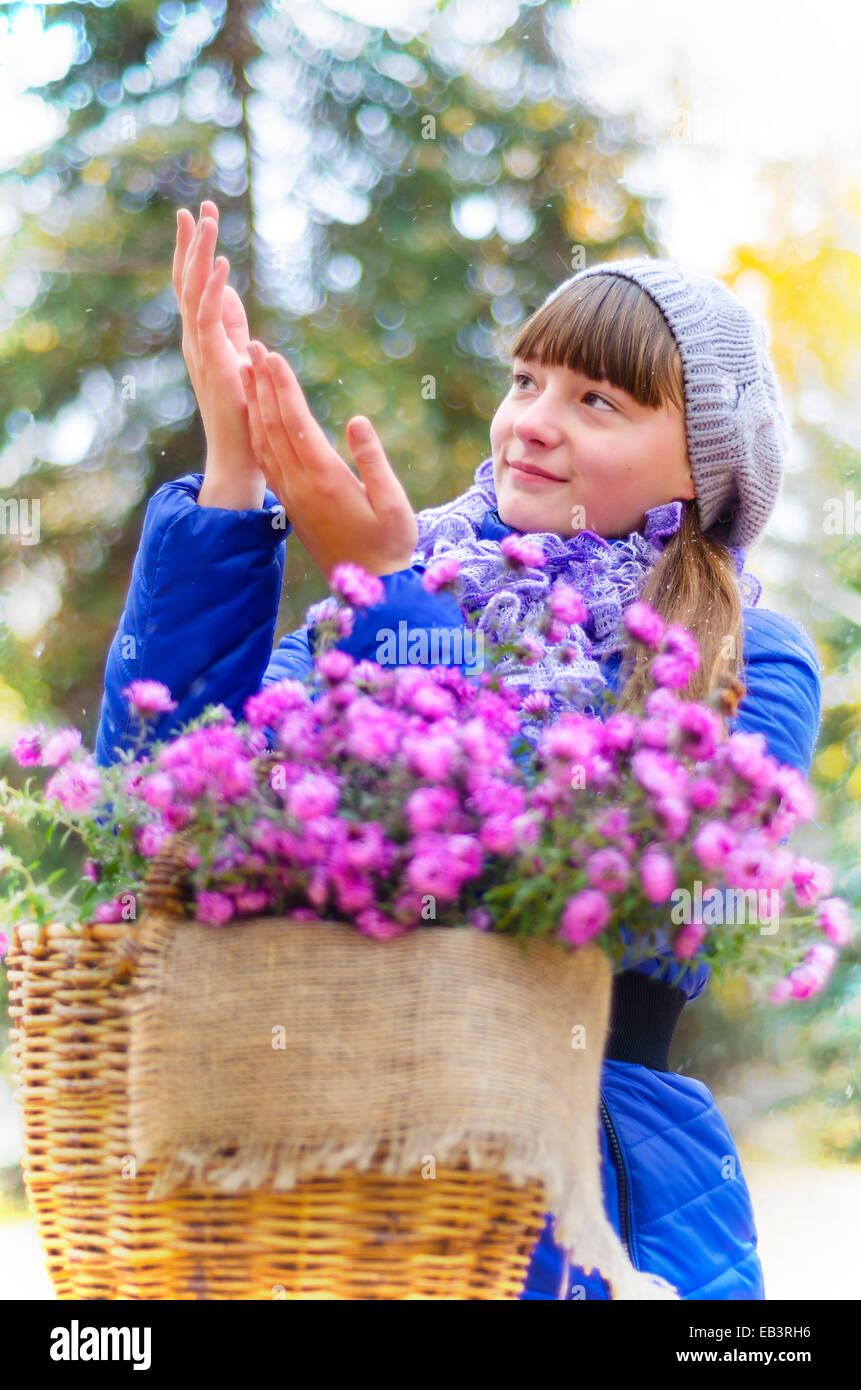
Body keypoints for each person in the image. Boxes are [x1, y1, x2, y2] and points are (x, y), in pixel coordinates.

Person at [94, 202, 822, 1300]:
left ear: (697, 470)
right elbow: (164, 804)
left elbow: (595, 892)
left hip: (604, 1181)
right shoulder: (406, 575)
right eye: (525, 379)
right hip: (353, 1163)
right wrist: (234, 466)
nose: (531, 419)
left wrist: (391, 602)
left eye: (596, 400)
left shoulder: (748, 657)